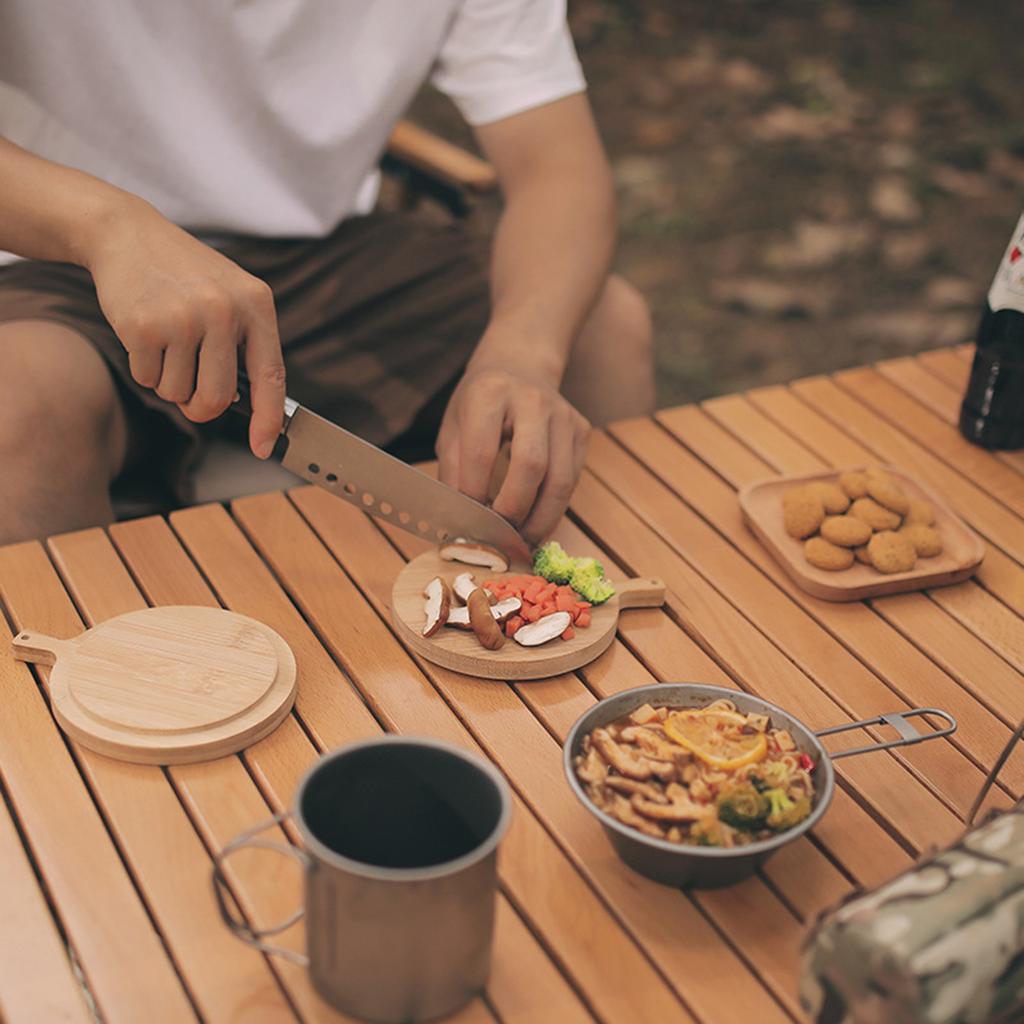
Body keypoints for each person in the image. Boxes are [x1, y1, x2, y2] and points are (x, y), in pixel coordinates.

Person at [0, 1, 654, 547]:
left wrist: (521, 354)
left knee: (602, 331)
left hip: (327, 256)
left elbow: (558, 172)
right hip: (62, 252)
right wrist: (109, 227)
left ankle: (603, 639)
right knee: (13, 407)